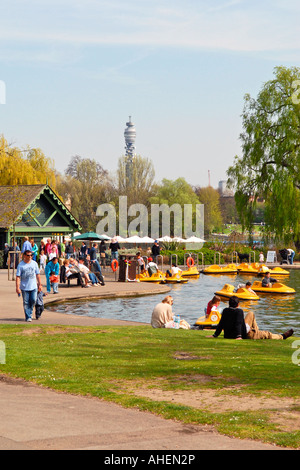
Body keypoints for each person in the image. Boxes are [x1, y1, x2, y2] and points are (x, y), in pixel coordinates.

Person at [210, 296, 293, 340]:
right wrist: (239, 336)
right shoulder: (239, 311)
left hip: (239, 331)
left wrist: (215, 335)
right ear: (238, 304)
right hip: (245, 334)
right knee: (267, 334)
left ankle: (256, 331)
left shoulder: (225, 310)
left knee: (251, 313)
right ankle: (282, 336)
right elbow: (238, 324)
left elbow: (221, 323)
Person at [16, 249, 42, 322]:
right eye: (28, 255)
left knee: (33, 300)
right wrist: (17, 288)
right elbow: (18, 277)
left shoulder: (34, 264)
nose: (30, 256)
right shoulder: (21, 265)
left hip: (33, 286)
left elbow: (38, 275)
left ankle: (29, 312)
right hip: (24, 287)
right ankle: (28, 316)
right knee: (26, 302)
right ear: (24, 256)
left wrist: (40, 284)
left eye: (31, 255)